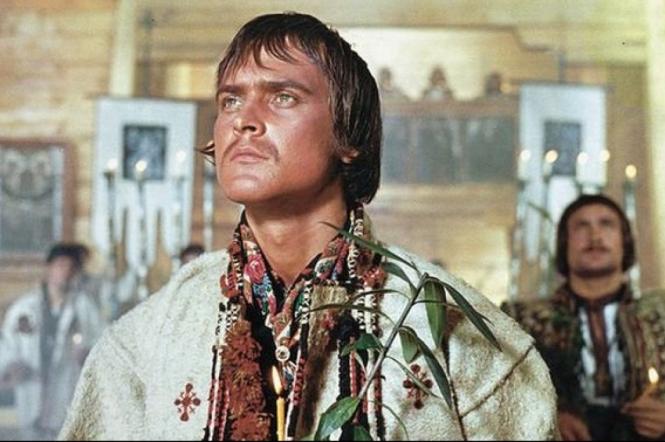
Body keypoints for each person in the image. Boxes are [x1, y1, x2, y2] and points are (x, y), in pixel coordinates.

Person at [59, 12, 556, 440]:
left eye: (282, 97)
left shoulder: (457, 332)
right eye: (230, 100)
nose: (243, 120)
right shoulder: (150, 337)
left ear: (349, 136)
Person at [503, 194, 665, 440]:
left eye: (606, 224)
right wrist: (546, 417)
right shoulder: (521, 321)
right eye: (582, 226)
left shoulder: (660, 314)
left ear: (625, 242)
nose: (595, 236)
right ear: (564, 243)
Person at [0, 243, 105, 440]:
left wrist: (88, 354)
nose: (66, 272)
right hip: (31, 392)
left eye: (72, 268)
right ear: (49, 268)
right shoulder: (25, 309)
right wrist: (11, 364)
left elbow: (102, 344)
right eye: (61, 265)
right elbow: (6, 344)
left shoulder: (85, 309)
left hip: (66, 395)